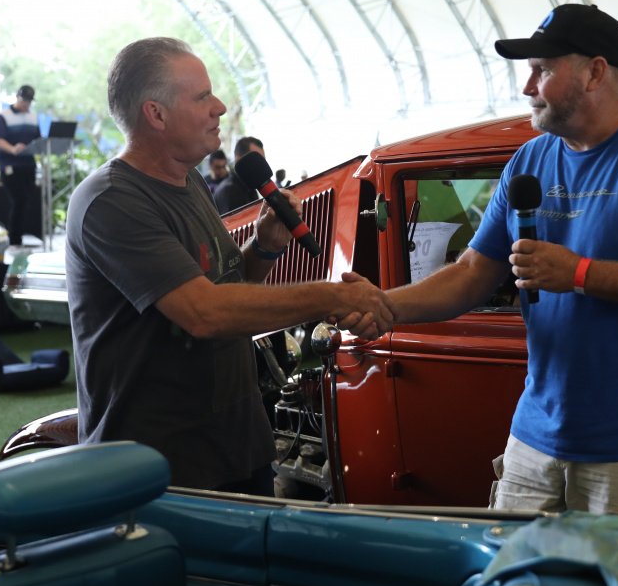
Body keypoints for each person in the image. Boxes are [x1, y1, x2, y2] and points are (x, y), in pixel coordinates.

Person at [386, 4, 618, 520]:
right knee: (515, 565)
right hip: (539, 429)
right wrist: (382, 306)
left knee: (617, 575)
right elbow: (472, 273)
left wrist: (578, 274)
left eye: (543, 70)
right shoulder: (530, 160)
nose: (527, 86)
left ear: (595, 72)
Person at [66, 38, 393, 493]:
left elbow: (225, 285)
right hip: (160, 469)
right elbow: (205, 313)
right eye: (202, 96)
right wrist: (333, 297)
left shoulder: (190, 181)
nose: (219, 107)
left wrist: (264, 248)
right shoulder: (111, 201)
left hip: (235, 448)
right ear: (156, 114)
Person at [0, 85, 40, 248]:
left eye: (29, 101)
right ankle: (14, 240)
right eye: (24, 100)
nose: (26, 104)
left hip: (29, 165)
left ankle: (22, 237)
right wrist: (13, 149)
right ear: (17, 97)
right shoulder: (4, 116)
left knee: (27, 202)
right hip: (10, 165)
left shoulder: (33, 116)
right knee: (18, 201)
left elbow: (38, 140)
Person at [212, 136, 265, 214]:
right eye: (256, 161)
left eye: (263, 161)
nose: (262, 166)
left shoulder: (249, 187)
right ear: (239, 161)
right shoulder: (229, 191)